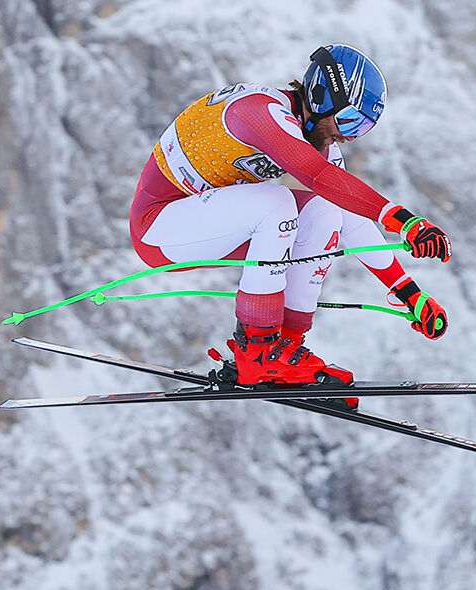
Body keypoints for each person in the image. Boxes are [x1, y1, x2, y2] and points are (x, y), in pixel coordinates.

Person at [130, 44, 451, 386]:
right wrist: (405, 221)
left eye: (361, 129)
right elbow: (320, 176)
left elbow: (350, 218)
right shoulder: (260, 110)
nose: (348, 135)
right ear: (320, 96)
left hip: (204, 226)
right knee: (277, 202)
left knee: (324, 212)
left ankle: (287, 347)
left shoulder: (317, 140)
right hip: (158, 227)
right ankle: (259, 351)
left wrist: (409, 293)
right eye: (349, 120)